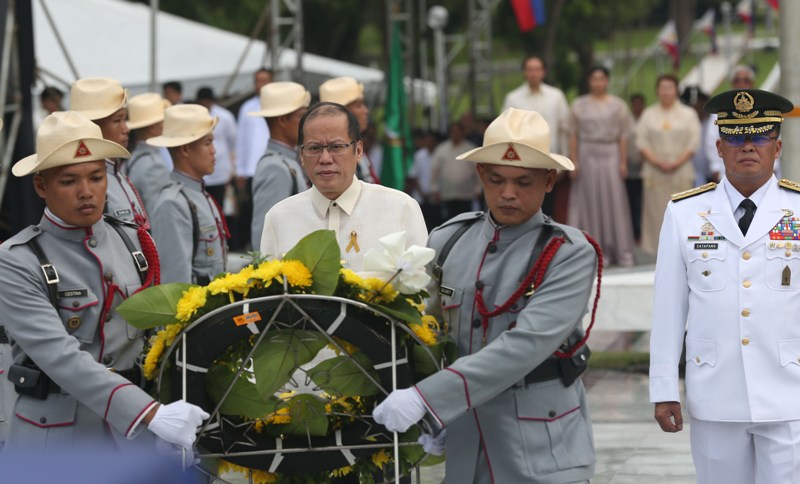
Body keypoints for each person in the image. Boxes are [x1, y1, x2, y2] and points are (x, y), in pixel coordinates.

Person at [373, 108, 599, 483]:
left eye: (523, 182)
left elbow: (526, 345)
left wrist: (428, 399)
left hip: (541, 445)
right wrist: (428, 399)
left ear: (549, 180)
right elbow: (425, 332)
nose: (508, 194)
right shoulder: (449, 240)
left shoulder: (567, 252)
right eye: (496, 180)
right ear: (480, 175)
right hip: (466, 437)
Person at [0, 111, 207, 455]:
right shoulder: (17, 259)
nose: (87, 192)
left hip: (133, 438)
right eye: (69, 181)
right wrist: (150, 414)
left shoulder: (131, 241)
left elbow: (154, 336)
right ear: (41, 185)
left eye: (96, 177)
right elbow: (59, 355)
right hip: (59, 441)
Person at [649, 89, 800, 483]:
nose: (747, 146)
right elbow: (668, 308)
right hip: (716, 392)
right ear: (718, 145)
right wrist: (664, 387)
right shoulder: (684, 213)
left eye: (759, 136)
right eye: (735, 137)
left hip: (789, 390)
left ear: (777, 146)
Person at [259, 102, 427, 271]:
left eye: (336, 147)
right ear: (302, 155)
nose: (325, 158)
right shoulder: (279, 218)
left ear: (359, 150)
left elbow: (423, 287)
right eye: (314, 148)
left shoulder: (400, 208)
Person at [148, 105, 228, 284]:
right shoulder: (173, 203)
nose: (214, 150)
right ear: (184, 150)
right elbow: (175, 282)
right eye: (207, 143)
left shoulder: (199, 195)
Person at [567, 66, 636, 267]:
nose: (598, 82)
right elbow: (572, 134)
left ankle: (619, 250)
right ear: (589, 81)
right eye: (594, 78)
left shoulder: (618, 105)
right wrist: (573, 161)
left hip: (610, 153)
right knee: (589, 201)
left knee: (613, 200)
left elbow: (624, 135)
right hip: (587, 153)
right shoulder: (579, 105)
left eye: (602, 78)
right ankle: (593, 250)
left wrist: (623, 162)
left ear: (607, 81)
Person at [70, 77, 149, 228]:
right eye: (117, 120)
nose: (126, 129)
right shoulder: (88, 184)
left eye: (124, 119)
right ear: (92, 126)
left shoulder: (116, 173)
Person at [636, 74, 701, 256]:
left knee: (683, 211)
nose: (666, 92)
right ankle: (656, 253)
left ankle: (684, 251)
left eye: (670, 88)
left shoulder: (688, 114)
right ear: (657, 90)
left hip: (681, 171)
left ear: (676, 91)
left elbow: (693, 142)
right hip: (654, 172)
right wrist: (658, 162)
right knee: (656, 214)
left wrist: (676, 162)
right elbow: (641, 142)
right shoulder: (648, 114)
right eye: (662, 88)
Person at [502, 55, 571, 222]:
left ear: (544, 72)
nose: (534, 73)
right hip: (522, 163)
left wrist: (565, 158)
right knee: (524, 205)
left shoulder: (556, 96)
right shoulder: (513, 98)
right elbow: (505, 130)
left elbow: (565, 129)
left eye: (537, 69)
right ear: (524, 72)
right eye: (530, 69)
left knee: (549, 208)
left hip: (549, 159)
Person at [248, 81, 310, 250]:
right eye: (301, 117)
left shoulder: (288, 161)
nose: (307, 124)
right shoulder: (275, 167)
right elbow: (264, 236)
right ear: (282, 120)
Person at [235, 68, 273, 250]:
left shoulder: (277, 105)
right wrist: (239, 170)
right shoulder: (247, 108)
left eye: (265, 80)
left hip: (273, 164)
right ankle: (254, 246)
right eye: (258, 80)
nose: (261, 84)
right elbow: (241, 140)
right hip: (251, 168)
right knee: (253, 209)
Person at [319, 76, 380, 183]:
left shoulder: (356, 148)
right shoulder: (332, 157)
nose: (365, 111)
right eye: (359, 105)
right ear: (341, 112)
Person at [704, 65, 756, 182]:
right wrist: (716, 169)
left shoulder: (764, 109)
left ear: (753, 83)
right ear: (732, 83)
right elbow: (712, 142)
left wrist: (774, 167)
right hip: (726, 174)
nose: (742, 84)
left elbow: (772, 139)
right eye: (737, 80)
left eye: (746, 80)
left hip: (758, 174)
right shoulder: (720, 111)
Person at [123, 92, 172, 216]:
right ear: (153, 127)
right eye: (163, 121)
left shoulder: (129, 158)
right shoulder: (154, 165)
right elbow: (158, 213)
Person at [195, 86, 238, 214]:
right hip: (200, 175)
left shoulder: (224, 116)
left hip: (220, 172)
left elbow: (233, 142)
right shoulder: (194, 117)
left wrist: (233, 168)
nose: (205, 104)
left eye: (207, 101)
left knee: (222, 211)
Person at [430, 122, 480, 220]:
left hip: (466, 195)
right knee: (450, 220)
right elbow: (435, 170)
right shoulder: (441, 149)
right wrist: (434, 188)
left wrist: (478, 188)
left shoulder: (470, 148)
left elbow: (478, 170)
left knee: (466, 221)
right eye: (453, 132)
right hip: (447, 194)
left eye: (458, 132)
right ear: (449, 133)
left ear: (462, 132)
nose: (455, 134)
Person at [627, 93, 646, 241]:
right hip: (629, 168)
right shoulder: (628, 120)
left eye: (640, 103)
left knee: (641, 202)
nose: (637, 106)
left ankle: (640, 230)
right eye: (635, 103)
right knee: (631, 202)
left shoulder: (647, 118)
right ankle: (633, 230)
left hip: (644, 167)